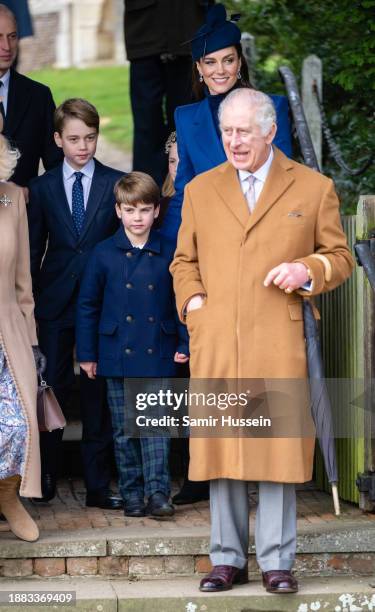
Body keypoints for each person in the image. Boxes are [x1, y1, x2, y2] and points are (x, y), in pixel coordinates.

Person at [170, 88, 354, 594]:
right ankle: (227, 559)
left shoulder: (313, 187)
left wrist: (307, 268)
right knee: (224, 451)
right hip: (218, 341)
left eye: (243, 131)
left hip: (278, 337)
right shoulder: (200, 190)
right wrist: (194, 306)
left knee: (274, 450)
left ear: (270, 131)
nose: (233, 141)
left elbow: (340, 257)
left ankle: (277, 562)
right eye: (227, 132)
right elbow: (183, 262)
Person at [27, 98, 124, 509]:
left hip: (101, 303)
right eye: (73, 139)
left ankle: (98, 486)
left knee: (96, 392)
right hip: (53, 302)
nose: (83, 147)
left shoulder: (115, 182)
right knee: (49, 387)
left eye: (90, 137)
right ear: (57, 140)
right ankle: (45, 477)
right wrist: (27, 307)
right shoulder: (42, 187)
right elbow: (32, 253)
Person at [76, 172, 189, 518]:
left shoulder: (170, 250)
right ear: (118, 211)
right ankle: (132, 494)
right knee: (125, 431)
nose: (137, 217)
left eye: (144, 210)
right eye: (130, 210)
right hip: (115, 352)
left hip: (158, 348)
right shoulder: (103, 253)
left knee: (156, 428)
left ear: (157, 211)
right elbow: (87, 305)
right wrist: (87, 354)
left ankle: (158, 494)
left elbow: (181, 299)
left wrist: (184, 341)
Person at [160, 3, 293, 242]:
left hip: (264, 236)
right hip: (210, 239)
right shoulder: (186, 118)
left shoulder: (274, 107)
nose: (219, 70)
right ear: (199, 67)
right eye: (210, 62)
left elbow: (284, 178)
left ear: (239, 63)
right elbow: (184, 192)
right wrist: (160, 250)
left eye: (228, 60)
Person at [0, 118, 45, 541]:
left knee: (18, 422)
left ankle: (9, 496)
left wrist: (32, 342)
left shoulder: (13, 198)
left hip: (8, 330)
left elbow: (23, 283)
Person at [124, 0, 214, 187]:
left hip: (190, 29)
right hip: (144, 31)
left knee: (189, 124)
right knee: (146, 126)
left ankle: (193, 194)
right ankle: (144, 201)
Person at [0, 4, 62, 191]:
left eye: (12, 37)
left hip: (25, 215)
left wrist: (32, 192)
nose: (7, 46)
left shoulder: (39, 96)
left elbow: (58, 166)